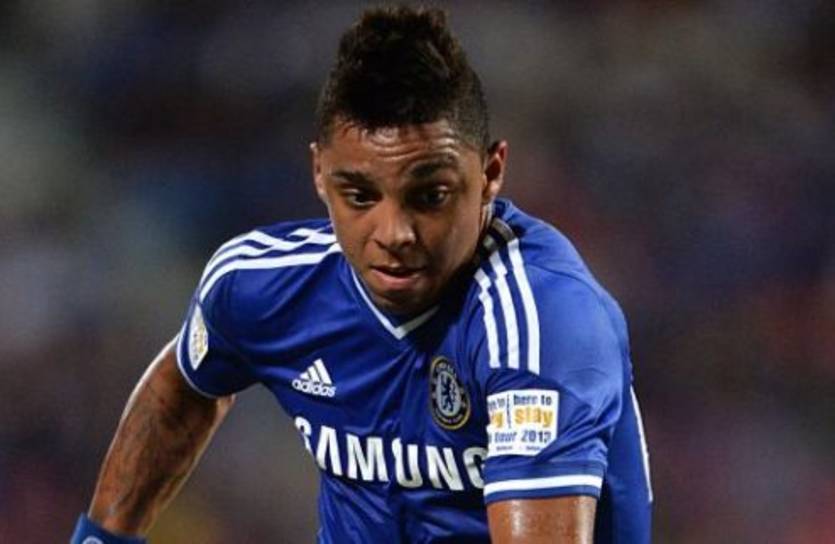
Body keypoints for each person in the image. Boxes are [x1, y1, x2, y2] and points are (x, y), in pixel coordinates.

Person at [71, 6, 652, 543]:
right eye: (360, 195)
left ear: (491, 172)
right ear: (318, 173)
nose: (394, 232)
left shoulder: (543, 325)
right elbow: (185, 388)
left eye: (430, 195)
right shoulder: (260, 287)